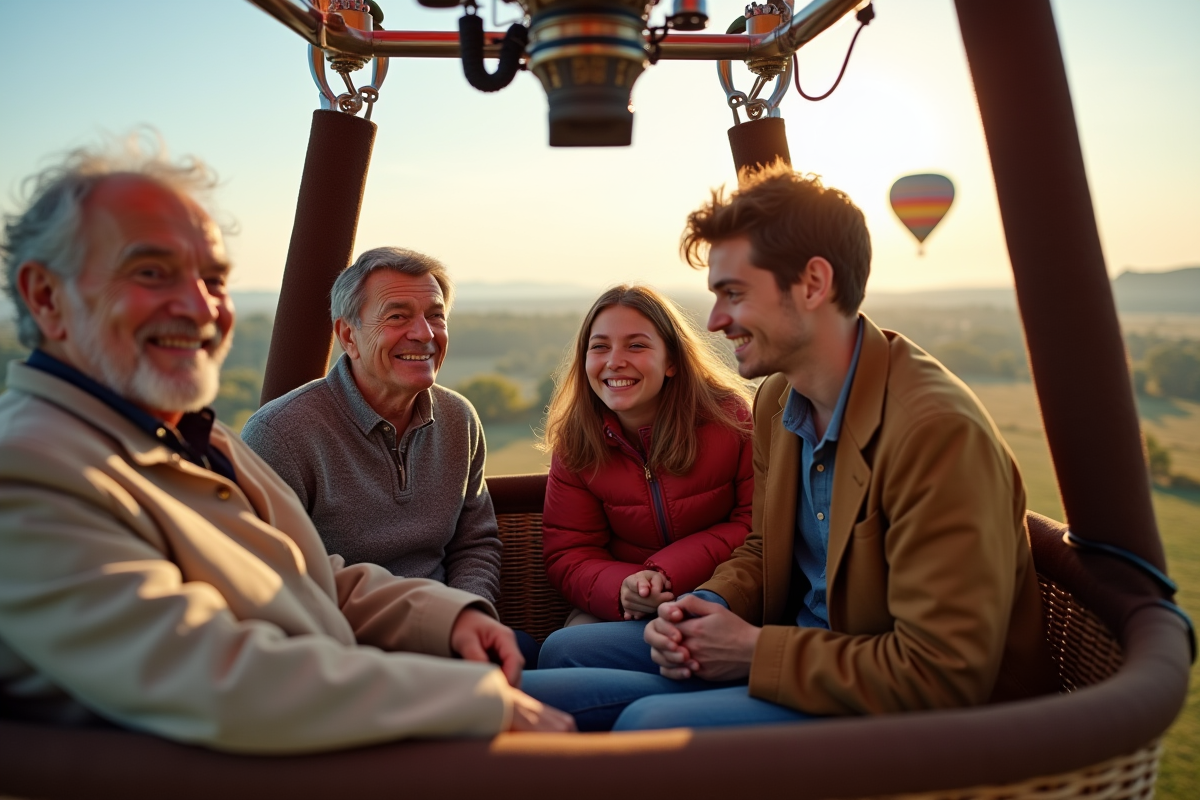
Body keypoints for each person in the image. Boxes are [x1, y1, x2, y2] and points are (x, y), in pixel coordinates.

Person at [0, 137, 573, 752]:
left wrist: (451, 617)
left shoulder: (193, 439)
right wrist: (473, 699)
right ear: (45, 297)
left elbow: (304, 578)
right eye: (150, 272)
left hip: (351, 704)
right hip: (300, 747)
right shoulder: (29, 471)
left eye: (214, 279)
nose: (200, 308)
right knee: (632, 725)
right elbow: (216, 678)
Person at [525, 163, 1058, 730]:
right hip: (795, 648)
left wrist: (754, 652)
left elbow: (943, 672)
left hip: (904, 715)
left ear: (813, 284)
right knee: (561, 657)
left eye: (733, 293)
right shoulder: (779, 401)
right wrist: (709, 607)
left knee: (649, 724)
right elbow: (761, 545)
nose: (715, 320)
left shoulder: (938, 434)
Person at [240, 247, 542, 663]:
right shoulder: (280, 435)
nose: (424, 333)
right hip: (349, 658)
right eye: (398, 316)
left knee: (548, 657)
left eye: (435, 315)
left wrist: (467, 620)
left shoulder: (460, 419)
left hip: (452, 642)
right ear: (348, 336)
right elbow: (282, 582)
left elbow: (475, 543)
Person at [534, 285, 753, 669]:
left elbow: (757, 524)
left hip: (727, 595)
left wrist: (665, 573)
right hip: (628, 604)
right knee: (560, 649)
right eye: (600, 347)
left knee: (569, 654)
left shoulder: (728, 419)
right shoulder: (576, 442)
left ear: (672, 360)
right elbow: (569, 554)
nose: (615, 361)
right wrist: (626, 587)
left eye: (636, 346)